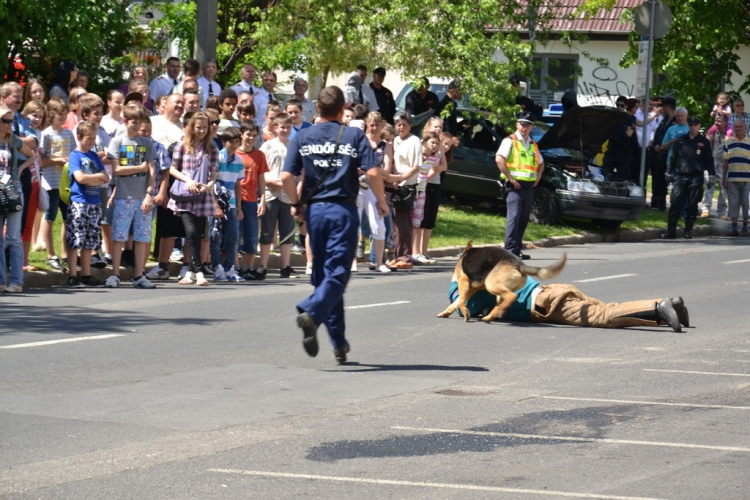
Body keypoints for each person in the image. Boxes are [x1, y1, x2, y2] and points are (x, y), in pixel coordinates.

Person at [280, 85, 388, 363]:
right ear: (343, 111)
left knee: (326, 276)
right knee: (338, 273)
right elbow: (373, 171)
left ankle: (338, 342)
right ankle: (312, 312)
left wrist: (295, 203)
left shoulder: (302, 135)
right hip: (342, 209)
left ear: (317, 109)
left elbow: (286, 177)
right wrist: (381, 200)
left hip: (315, 213)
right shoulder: (354, 134)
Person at [445, 270, 688, 333]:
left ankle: (658, 308)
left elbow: (464, 309)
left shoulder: (470, 285)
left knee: (602, 317)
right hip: (552, 291)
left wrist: (455, 286)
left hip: (545, 304)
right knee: (606, 310)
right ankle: (670, 303)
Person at [105, 106, 157, 288]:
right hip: (123, 196)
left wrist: (150, 194)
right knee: (119, 236)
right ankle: (115, 274)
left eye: (139, 122)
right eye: (134, 121)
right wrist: (139, 168)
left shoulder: (147, 143)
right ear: (126, 121)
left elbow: (151, 171)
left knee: (142, 237)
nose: (137, 125)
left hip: (142, 196)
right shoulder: (117, 142)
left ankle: (138, 275)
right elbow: (117, 170)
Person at [168, 112, 218, 286]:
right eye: (198, 127)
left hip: (202, 195)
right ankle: (199, 271)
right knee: (191, 232)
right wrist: (187, 180)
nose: (202, 131)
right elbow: (172, 169)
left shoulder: (211, 148)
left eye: (205, 127)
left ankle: (190, 271)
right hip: (184, 194)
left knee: (199, 232)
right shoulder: (182, 145)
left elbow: (214, 172)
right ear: (191, 127)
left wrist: (209, 184)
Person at [65, 121, 110, 288]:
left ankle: (86, 274)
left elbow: (105, 177)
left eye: (93, 138)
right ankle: (72, 275)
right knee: (75, 239)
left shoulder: (94, 156)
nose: (91, 142)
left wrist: (93, 179)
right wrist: (95, 178)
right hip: (79, 202)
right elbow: (80, 178)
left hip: (94, 202)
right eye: (88, 138)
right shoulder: (75, 155)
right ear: (79, 137)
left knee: (89, 240)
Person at [495, 111, 544, 260]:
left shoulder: (532, 144)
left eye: (528, 125)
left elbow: (541, 164)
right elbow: (499, 159)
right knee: (514, 217)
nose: (524, 127)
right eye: (522, 124)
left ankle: (517, 249)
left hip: (529, 186)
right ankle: (509, 250)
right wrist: (510, 178)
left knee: (523, 218)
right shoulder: (510, 140)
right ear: (517, 124)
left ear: (531, 127)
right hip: (514, 185)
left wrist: (538, 178)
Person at [0, 105, 36, 293]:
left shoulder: (13, 140)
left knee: (13, 237)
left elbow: (32, 156)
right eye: (5, 121)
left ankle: (16, 281)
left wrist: (20, 170)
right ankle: (0, 280)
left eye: (11, 121)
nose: (9, 125)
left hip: (13, 190)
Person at [661, 115, 713, 240]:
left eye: (695, 124)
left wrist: (711, 175)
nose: (693, 127)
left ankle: (688, 231)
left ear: (699, 126)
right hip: (681, 175)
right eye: (691, 125)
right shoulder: (681, 140)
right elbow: (673, 157)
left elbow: (709, 160)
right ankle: (671, 232)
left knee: (692, 205)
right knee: (675, 203)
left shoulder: (703, 142)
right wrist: (668, 171)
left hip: (696, 176)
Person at [40, 98, 76, 270]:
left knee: (68, 218)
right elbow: (41, 160)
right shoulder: (46, 134)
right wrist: (57, 161)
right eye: (59, 114)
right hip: (50, 182)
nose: (62, 117)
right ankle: (50, 254)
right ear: (51, 114)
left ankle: (65, 254)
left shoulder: (68, 134)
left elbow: (75, 154)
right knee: (50, 217)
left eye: (64, 114)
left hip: (66, 183)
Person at [260, 112, 297, 278]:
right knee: (267, 230)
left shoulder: (294, 146)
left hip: (287, 194)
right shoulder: (267, 146)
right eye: (282, 127)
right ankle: (263, 265)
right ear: (275, 127)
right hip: (270, 192)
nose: (285, 130)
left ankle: (286, 266)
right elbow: (262, 171)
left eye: (288, 127)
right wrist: (271, 182)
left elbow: (297, 171)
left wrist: (289, 186)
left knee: (287, 231)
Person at [209, 126, 245, 282]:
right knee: (215, 236)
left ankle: (230, 268)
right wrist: (215, 204)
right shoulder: (218, 157)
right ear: (224, 142)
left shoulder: (239, 160)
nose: (234, 145)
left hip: (231, 204)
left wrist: (239, 206)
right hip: (217, 201)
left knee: (233, 237)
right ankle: (217, 267)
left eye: (237, 141)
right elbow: (212, 181)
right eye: (231, 142)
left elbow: (238, 184)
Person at [388, 110, 422, 269]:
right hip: (396, 184)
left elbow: (416, 166)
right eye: (398, 125)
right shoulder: (396, 140)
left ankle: (406, 258)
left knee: (405, 224)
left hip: (407, 186)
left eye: (404, 125)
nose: (400, 128)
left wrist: (401, 179)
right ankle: (398, 255)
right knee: (396, 225)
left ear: (410, 126)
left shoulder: (414, 141)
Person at [235, 120, 268, 280]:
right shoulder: (234, 153)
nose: (251, 138)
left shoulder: (259, 155)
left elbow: (261, 178)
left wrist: (263, 199)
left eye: (254, 135)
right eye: (248, 134)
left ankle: (248, 267)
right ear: (241, 134)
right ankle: (234, 267)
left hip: (252, 199)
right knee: (235, 233)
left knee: (252, 235)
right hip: (236, 199)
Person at [722, 120, 750, 237]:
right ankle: (734, 228)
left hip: (747, 178)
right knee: (733, 203)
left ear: (745, 128)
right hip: (732, 177)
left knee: (745, 203)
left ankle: (744, 227)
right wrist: (724, 177)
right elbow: (725, 161)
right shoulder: (728, 143)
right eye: (736, 126)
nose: (738, 128)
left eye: (740, 126)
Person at [649, 96, 677, 210]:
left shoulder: (676, 121)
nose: (661, 109)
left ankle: (670, 204)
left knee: (669, 180)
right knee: (658, 180)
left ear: (668, 106)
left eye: (663, 106)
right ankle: (659, 203)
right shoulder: (664, 120)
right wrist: (656, 144)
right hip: (659, 154)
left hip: (670, 155)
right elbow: (658, 134)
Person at [701, 113, 729, 219]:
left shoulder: (728, 136)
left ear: (725, 123)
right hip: (711, 165)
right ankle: (705, 209)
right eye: (716, 120)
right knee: (709, 186)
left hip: (723, 165)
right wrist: (708, 140)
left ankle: (721, 211)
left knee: (723, 188)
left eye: (720, 121)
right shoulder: (711, 134)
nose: (717, 123)